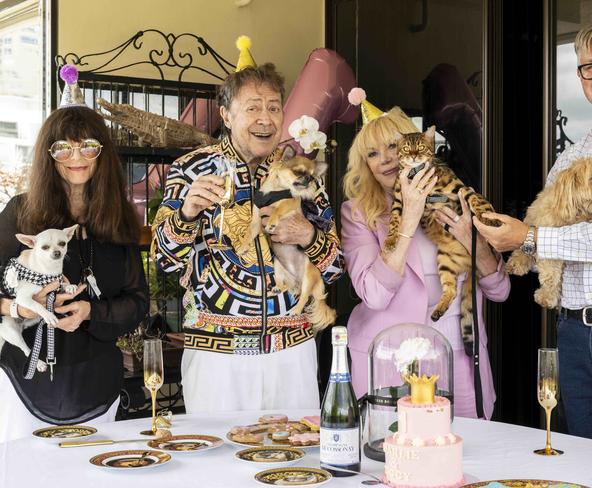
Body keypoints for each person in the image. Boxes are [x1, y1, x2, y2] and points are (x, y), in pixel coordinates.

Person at [474, 19, 592, 448]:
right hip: (572, 334)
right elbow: (546, 219)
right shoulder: (571, 156)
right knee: (584, 459)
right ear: (580, 77)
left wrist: (529, 239)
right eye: (591, 67)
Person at [151, 39, 343, 413]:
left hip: (292, 355)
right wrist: (186, 215)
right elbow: (164, 262)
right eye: (252, 107)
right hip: (217, 358)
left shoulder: (300, 173)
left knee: (292, 461)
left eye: (273, 108)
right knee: (218, 465)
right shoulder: (189, 170)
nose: (265, 118)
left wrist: (308, 235)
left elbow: (336, 267)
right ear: (225, 115)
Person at [341, 100, 510, 419]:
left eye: (392, 146)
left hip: (459, 351)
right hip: (389, 358)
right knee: (395, 459)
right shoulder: (358, 212)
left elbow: (500, 290)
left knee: (462, 454)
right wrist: (410, 215)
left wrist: (471, 242)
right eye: (372, 154)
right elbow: (374, 295)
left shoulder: (455, 195)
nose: (386, 160)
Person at [0, 75, 147, 441]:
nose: (76, 157)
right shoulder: (20, 213)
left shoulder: (120, 219)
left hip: (97, 383)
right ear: (48, 155)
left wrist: (90, 313)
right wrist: (20, 309)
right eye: (63, 148)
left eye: (88, 147)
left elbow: (137, 302)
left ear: (103, 154)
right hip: (23, 380)